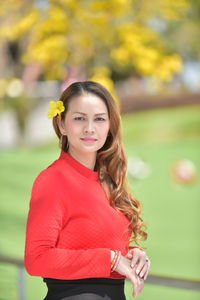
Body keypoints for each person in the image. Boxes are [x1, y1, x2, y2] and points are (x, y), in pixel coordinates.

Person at [24, 81, 150, 300]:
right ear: (62, 124)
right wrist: (110, 259)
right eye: (79, 118)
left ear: (109, 125)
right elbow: (36, 259)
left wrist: (130, 254)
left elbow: (95, 242)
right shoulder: (53, 180)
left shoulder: (109, 181)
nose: (89, 128)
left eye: (99, 119)